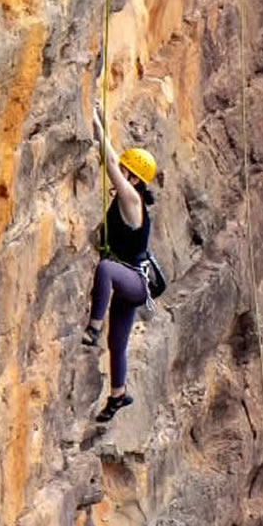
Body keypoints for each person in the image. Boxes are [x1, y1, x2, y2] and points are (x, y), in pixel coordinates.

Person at [84, 106, 157, 422]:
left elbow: (110, 161)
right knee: (118, 344)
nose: (120, 172)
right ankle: (117, 394)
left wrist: (98, 122)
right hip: (130, 283)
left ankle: (93, 328)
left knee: (105, 269)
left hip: (133, 282)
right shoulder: (126, 196)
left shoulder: (131, 199)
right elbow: (111, 161)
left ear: (134, 178)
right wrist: (99, 124)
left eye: (127, 171)